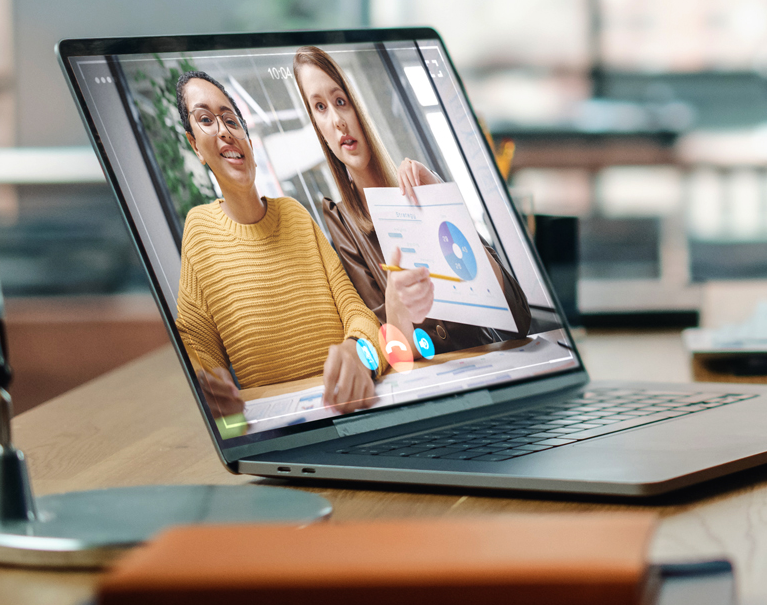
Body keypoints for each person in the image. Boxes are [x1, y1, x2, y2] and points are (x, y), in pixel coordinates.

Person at [169, 72, 382, 419]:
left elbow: (358, 314)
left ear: (248, 141)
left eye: (231, 120)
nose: (224, 130)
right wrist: (202, 379)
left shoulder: (295, 215)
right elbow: (196, 344)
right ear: (196, 146)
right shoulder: (200, 230)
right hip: (285, 429)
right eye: (206, 120)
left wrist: (359, 351)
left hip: (354, 409)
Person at [289, 45, 528, 351]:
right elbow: (391, 344)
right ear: (318, 128)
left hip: (490, 363)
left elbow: (519, 319)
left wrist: (449, 211)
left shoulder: (421, 182)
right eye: (320, 108)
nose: (337, 120)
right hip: (432, 380)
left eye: (340, 101)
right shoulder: (342, 222)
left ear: (358, 106)